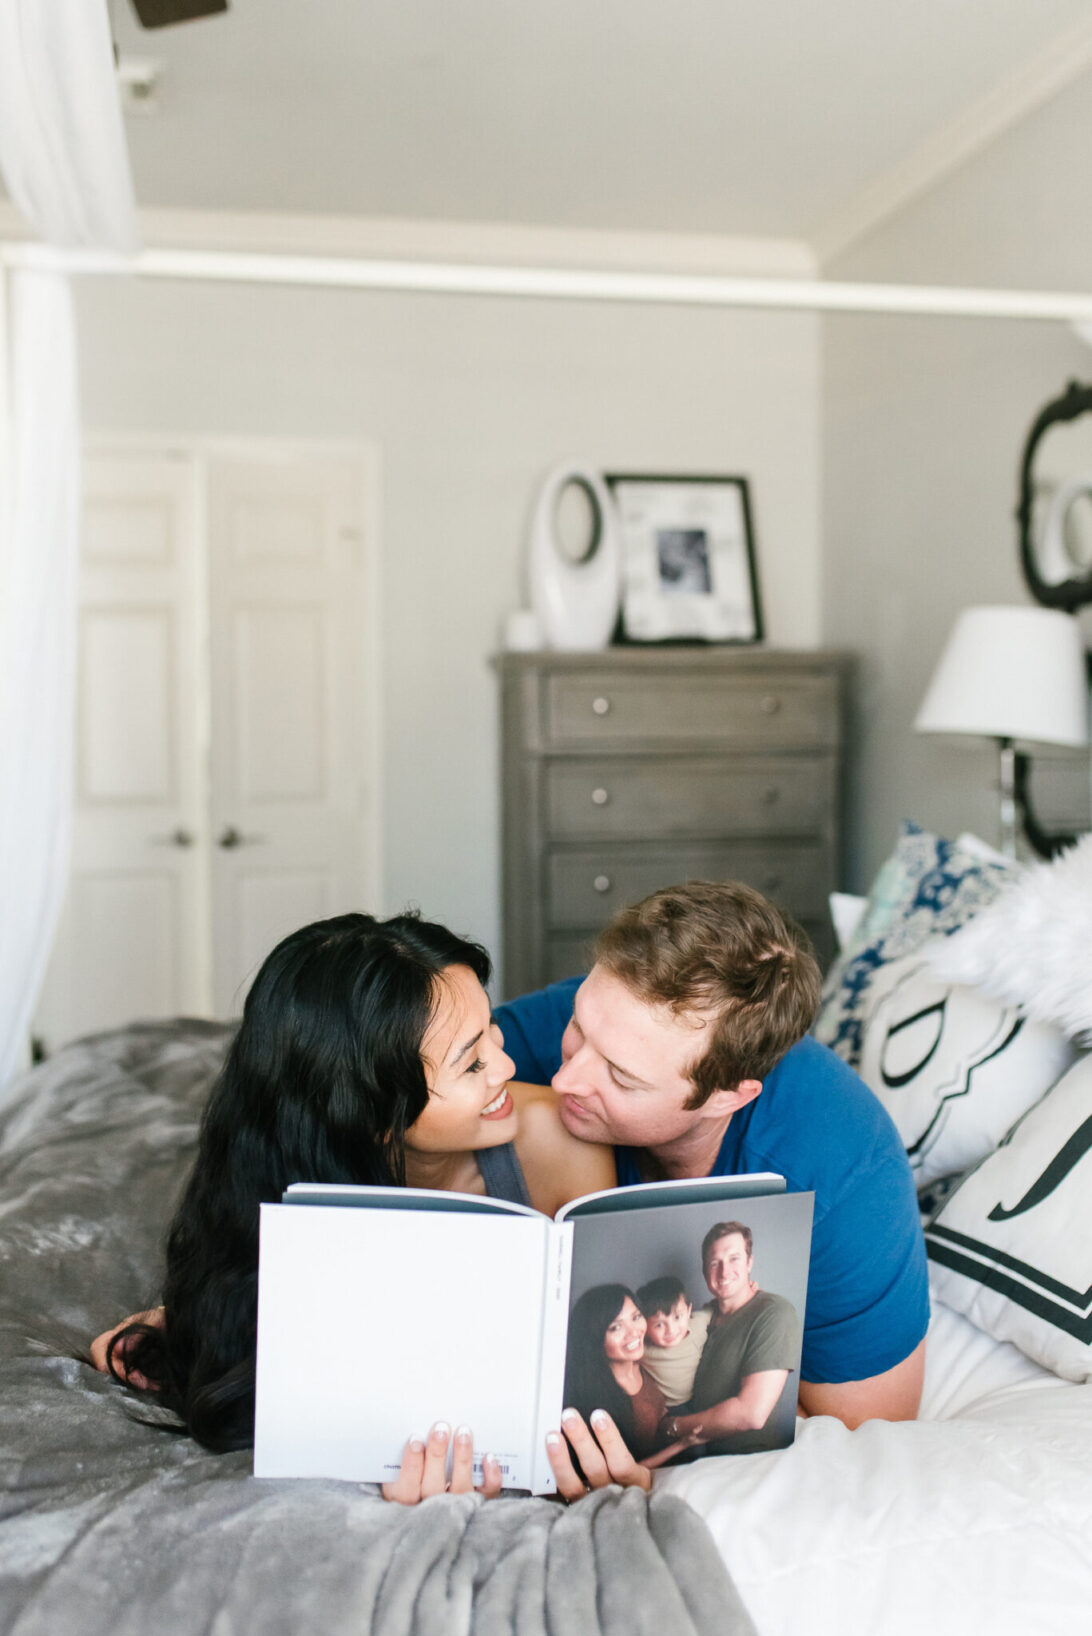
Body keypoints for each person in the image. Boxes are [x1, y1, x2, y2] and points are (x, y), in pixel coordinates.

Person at [90, 910, 614, 1502]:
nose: (508, 1068)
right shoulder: (285, 1202)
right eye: (470, 1063)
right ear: (373, 1117)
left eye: (492, 1033)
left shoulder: (558, 1141)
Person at [490, 881, 930, 1499]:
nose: (565, 1077)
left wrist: (669, 1455)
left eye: (620, 1076)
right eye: (579, 1029)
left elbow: (868, 1431)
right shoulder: (599, 1017)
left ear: (728, 1095)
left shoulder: (844, 1173)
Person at [663, 1222, 799, 1455]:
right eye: (715, 1263)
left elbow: (752, 1414)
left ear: (749, 1263)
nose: (724, 1272)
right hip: (694, 1456)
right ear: (705, 1271)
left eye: (734, 1258)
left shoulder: (774, 1312)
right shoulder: (700, 1319)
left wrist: (672, 1426)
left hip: (745, 1460)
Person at [562, 1285, 704, 1470]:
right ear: (594, 1338)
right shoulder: (598, 1400)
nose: (634, 1332)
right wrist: (680, 1446)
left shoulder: (641, 1365)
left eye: (636, 1317)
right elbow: (622, 1471)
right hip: (645, 1478)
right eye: (615, 1327)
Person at [634, 1274, 710, 1410]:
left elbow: (715, 1308)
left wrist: (749, 1291)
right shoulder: (642, 1348)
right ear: (645, 1326)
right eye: (659, 1325)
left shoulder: (698, 1324)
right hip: (668, 1407)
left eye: (677, 1317)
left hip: (699, 1396)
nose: (671, 1330)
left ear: (689, 1311)